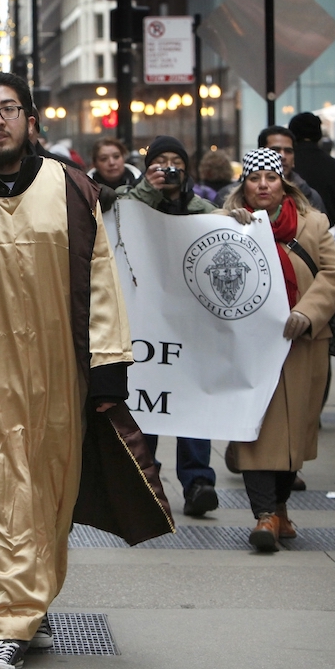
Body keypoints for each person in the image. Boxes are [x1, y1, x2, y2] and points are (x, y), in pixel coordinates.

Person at [0, 72, 170, 669]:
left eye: (9, 109)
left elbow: (101, 281)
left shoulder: (73, 190)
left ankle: (32, 600)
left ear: (30, 119)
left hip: (61, 377)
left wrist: (108, 367)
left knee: (49, 502)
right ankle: (7, 623)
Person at [221, 148, 335, 550]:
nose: (263, 185)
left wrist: (308, 312)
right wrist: (230, 229)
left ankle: (281, 509)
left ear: (282, 182)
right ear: (245, 185)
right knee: (254, 432)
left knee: (293, 435)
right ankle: (265, 516)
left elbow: (332, 274)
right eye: (254, 179)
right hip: (249, 349)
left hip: (302, 345)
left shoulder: (314, 224)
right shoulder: (225, 223)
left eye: (270, 178)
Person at [117, 135, 220, 517]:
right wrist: (150, 189)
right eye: (161, 162)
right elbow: (119, 216)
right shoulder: (134, 200)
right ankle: (146, 480)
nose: (170, 168)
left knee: (192, 402)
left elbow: (224, 233)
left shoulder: (202, 209)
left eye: (176, 162)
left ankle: (199, 483)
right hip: (148, 324)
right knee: (150, 400)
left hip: (190, 326)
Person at [215, 126, 325, 213]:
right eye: (275, 150)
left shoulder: (310, 196)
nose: (282, 156)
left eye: (288, 151)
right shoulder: (226, 196)